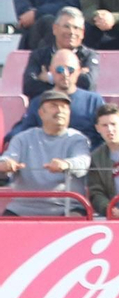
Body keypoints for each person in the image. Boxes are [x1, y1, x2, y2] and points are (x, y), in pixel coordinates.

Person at [0, 89, 92, 217]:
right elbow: (8, 158)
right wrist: (6, 164)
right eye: (54, 106)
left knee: (77, 219)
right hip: (23, 207)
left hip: (66, 207)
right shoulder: (22, 138)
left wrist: (66, 164)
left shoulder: (78, 139)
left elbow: (83, 161)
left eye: (64, 107)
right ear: (41, 113)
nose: (60, 111)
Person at [6, 47, 104, 144]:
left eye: (70, 70)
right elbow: (23, 132)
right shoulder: (39, 102)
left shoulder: (94, 101)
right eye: (59, 69)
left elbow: (104, 135)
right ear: (51, 71)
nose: (65, 74)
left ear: (79, 71)